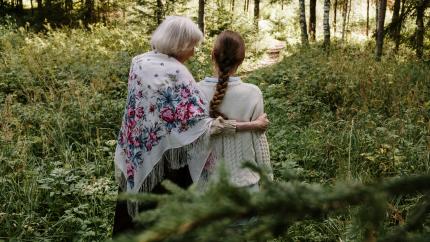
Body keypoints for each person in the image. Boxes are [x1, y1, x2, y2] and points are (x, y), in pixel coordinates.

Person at [112, 16, 269, 235]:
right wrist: (251, 125)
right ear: (179, 45)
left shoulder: (140, 62)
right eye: (192, 46)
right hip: (169, 164)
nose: (194, 52)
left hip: (140, 152)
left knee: (140, 222)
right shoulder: (179, 74)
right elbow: (200, 125)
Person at [197, 30, 273, 191]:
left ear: (213, 54)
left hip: (204, 188)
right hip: (246, 186)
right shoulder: (252, 93)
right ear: (241, 60)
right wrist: (268, 181)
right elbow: (259, 140)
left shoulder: (194, 91)